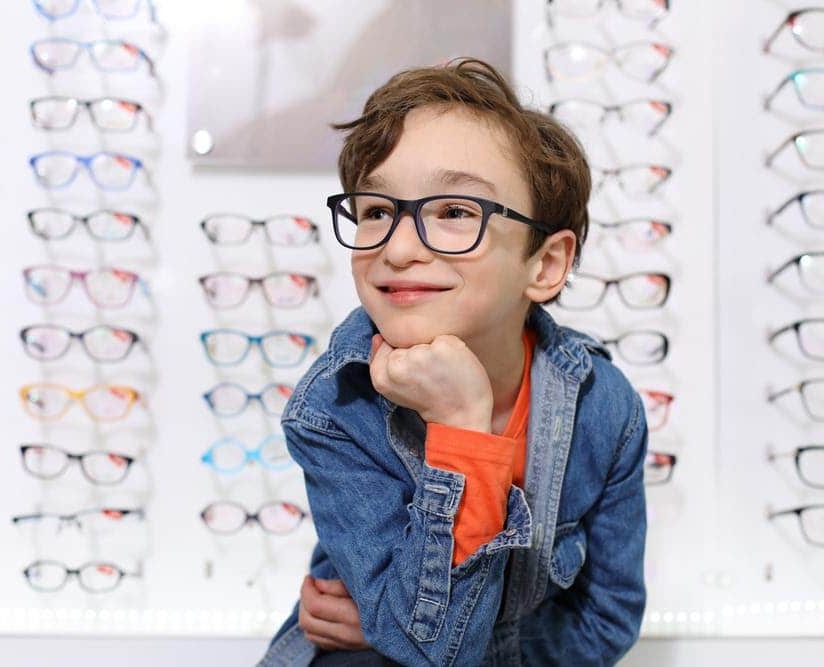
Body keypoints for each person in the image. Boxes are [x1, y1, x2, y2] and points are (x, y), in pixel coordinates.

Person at [257, 57, 647, 667]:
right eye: (378, 212)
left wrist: (398, 627)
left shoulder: (604, 407)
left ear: (544, 265)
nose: (400, 247)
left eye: (457, 212)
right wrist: (463, 428)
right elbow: (424, 648)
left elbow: (607, 620)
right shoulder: (335, 409)